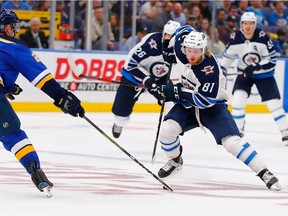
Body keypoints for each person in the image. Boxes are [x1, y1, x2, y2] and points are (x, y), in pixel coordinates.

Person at [156, 27, 282, 191]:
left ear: (203, 49)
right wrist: (167, 45)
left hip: (213, 106)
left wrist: (177, 91)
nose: (192, 54)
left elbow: (204, 101)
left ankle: (264, 172)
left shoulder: (209, 69)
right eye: (189, 50)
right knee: (167, 129)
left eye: (196, 51)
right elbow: (183, 29)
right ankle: (175, 160)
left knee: (231, 142)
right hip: (187, 105)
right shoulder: (181, 45)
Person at [0, 9, 85, 196]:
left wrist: (6, 86)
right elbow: (42, 79)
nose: (14, 31)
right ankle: (35, 172)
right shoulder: (11, 45)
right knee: (13, 135)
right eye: (13, 27)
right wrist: (62, 97)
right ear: (7, 28)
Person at [221, 12, 288, 146]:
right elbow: (227, 58)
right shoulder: (235, 38)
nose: (248, 26)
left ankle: (286, 131)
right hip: (244, 74)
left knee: (273, 104)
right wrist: (222, 70)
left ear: (255, 25)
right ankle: (237, 131)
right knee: (237, 100)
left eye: (251, 23)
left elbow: (272, 60)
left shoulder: (263, 38)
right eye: (245, 23)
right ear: (241, 25)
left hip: (264, 75)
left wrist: (257, 66)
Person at [111, 20, 181, 138]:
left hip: (159, 76)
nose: (167, 39)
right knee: (121, 112)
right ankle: (119, 123)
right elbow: (130, 65)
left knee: (170, 100)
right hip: (134, 77)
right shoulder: (151, 44)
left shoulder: (180, 49)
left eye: (171, 36)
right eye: (166, 35)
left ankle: (171, 129)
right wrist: (146, 79)